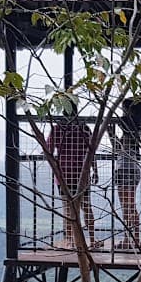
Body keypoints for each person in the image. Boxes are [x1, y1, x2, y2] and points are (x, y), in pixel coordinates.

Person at [45, 98, 97, 249]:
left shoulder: (57, 129)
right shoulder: (84, 128)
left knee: (68, 208)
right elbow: (91, 151)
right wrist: (95, 170)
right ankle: (92, 240)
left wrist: (55, 166)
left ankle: (71, 241)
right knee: (86, 206)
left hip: (63, 174)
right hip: (82, 173)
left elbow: (48, 150)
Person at [109, 97, 141, 249]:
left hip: (124, 168)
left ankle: (130, 239)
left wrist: (111, 133)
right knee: (130, 206)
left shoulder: (128, 129)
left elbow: (119, 149)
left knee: (127, 206)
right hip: (133, 168)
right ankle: (133, 239)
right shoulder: (136, 129)